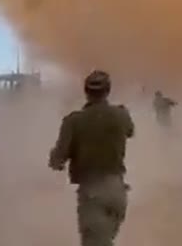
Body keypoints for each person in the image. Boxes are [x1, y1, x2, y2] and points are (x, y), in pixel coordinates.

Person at [48, 70, 134, 246]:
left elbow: (58, 159)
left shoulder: (73, 121)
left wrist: (56, 159)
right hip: (117, 192)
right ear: (108, 90)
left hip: (93, 193)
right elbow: (130, 131)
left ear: (86, 92)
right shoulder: (121, 114)